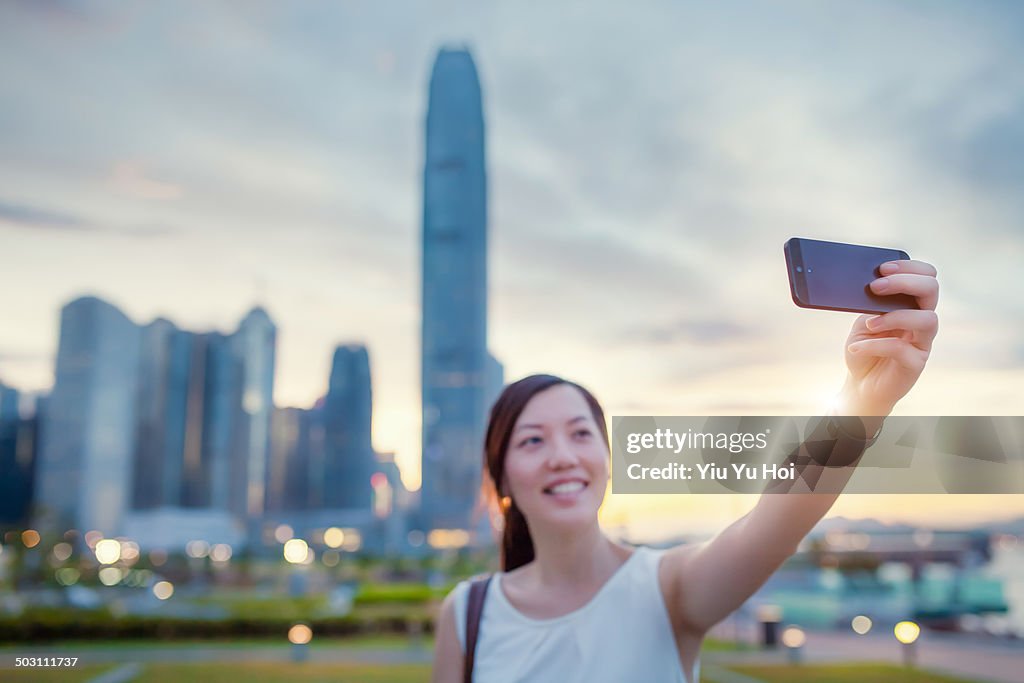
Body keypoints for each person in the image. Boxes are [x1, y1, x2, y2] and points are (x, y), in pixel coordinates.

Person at [431, 259, 939, 683]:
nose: (562, 455)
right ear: (500, 479)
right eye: (533, 440)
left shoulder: (667, 588)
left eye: (581, 433)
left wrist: (865, 402)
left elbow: (773, 524)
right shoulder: (468, 614)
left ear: (607, 462)